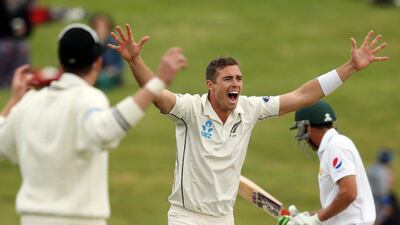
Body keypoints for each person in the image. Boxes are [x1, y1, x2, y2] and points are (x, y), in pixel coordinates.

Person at [109, 24, 388, 225]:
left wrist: (349, 68)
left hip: (224, 217)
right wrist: (134, 60)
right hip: (186, 216)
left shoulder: (250, 109)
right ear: (210, 85)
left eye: (239, 79)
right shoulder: (190, 109)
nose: (236, 84)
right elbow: (157, 96)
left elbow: (302, 95)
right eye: (228, 79)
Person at [0, 23, 186, 225]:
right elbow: (106, 130)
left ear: (60, 65)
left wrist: (14, 101)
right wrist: (156, 84)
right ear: (97, 63)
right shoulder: (89, 99)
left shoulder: (29, 103)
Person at [278, 101, 376, 225]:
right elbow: (340, 203)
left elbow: (349, 193)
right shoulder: (336, 144)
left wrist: (316, 220)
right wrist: (307, 217)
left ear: (307, 127)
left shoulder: (335, 146)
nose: (302, 136)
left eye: (301, 130)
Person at [0, 0, 33, 88]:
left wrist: (24, 30)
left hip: (17, 41)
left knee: (22, 47)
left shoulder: (21, 8)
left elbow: (29, 28)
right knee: (6, 48)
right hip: (3, 41)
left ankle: (20, 79)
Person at [89, 12, 124, 90]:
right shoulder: (91, 43)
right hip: (97, 72)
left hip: (111, 72)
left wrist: (114, 69)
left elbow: (119, 63)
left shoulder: (113, 43)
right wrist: (100, 43)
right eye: (98, 27)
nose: (101, 30)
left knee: (106, 79)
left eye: (103, 27)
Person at [367, 148, 400, 225]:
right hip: (378, 201)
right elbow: (382, 191)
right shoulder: (383, 172)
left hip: (370, 199)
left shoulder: (371, 168)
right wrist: (386, 204)